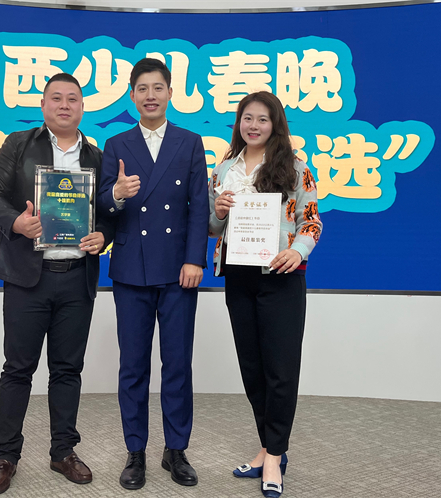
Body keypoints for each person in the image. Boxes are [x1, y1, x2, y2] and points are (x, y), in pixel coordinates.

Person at [0, 73, 114, 495]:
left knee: (67, 370)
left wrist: (103, 235)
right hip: (27, 278)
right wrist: (15, 223)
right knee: (18, 369)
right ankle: (6, 455)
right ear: (43, 106)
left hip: (77, 278)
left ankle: (63, 452)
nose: (64, 105)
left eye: (72, 99)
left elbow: (109, 213)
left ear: (82, 107)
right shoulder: (19, 144)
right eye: (56, 98)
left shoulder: (96, 157)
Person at [96, 58, 209, 490]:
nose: (150, 95)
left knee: (177, 363)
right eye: (142, 88)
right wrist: (117, 194)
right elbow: (102, 205)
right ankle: (136, 451)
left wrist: (195, 259)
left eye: (157, 88)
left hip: (179, 270)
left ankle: (175, 449)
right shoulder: (116, 144)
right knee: (133, 366)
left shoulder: (190, 142)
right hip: (131, 269)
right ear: (132, 95)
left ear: (170, 93)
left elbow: (199, 205)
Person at [208, 91, 322, 498]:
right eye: (247, 118)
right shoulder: (224, 169)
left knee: (281, 370)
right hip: (238, 277)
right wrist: (218, 212)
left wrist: (297, 250)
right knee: (252, 368)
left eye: (262, 119)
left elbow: (311, 222)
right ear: (238, 123)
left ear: (275, 124)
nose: (253, 125)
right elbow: (211, 227)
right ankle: (268, 447)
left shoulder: (295, 167)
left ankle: (274, 457)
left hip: (280, 276)